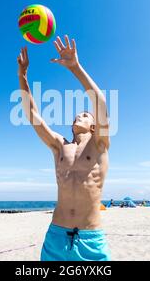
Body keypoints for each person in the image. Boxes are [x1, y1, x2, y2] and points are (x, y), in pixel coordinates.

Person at [17, 35, 111, 261]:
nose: (81, 114)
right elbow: (33, 116)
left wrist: (75, 67)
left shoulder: (100, 143)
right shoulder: (60, 146)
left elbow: (100, 104)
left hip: (90, 239)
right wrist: (23, 75)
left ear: (93, 127)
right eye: (78, 114)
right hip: (57, 237)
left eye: (86, 115)